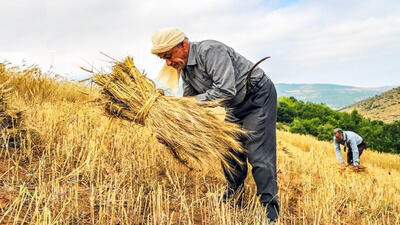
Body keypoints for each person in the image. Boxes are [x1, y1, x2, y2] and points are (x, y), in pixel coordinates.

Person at [151, 28, 279, 222]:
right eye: (164, 59)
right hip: (233, 104)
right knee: (230, 151)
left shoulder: (210, 51)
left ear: (182, 45)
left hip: (256, 96)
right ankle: (232, 195)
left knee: (258, 154)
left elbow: (225, 89)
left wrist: (190, 102)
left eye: (168, 56)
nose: (168, 63)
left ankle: (270, 211)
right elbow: (190, 103)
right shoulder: (186, 70)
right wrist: (171, 124)